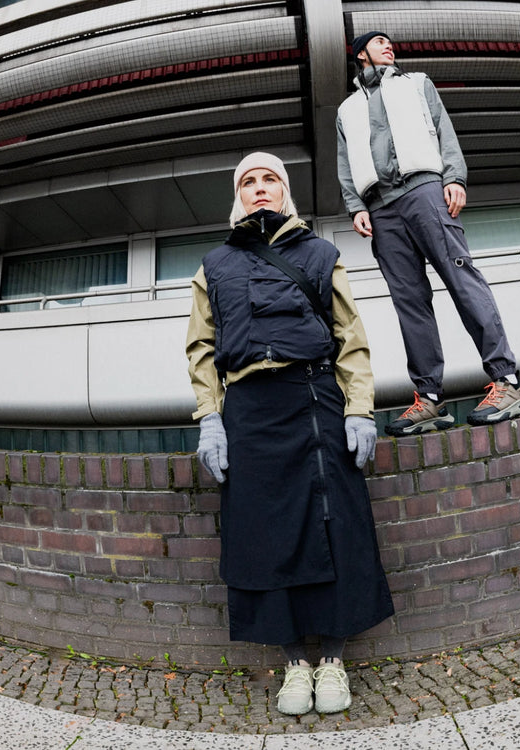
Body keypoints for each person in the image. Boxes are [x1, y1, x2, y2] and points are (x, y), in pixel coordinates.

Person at [185, 152, 394, 716]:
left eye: (269, 179)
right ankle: (295, 663)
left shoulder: (322, 255)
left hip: (315, 400)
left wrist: (359, 409)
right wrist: (210, 419)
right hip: (248, 411)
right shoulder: (212, 267)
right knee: (262, 533)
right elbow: (201, 348)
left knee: (335, 524)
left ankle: (332, 658)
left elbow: (350, 338)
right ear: (238, 195)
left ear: (285, 190)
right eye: (248, 182)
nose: (259, 188)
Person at [336, 31, 520, 435]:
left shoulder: (417, 83)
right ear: (360, 54)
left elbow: (444, 131)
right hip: (381, 209)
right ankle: (430, 399)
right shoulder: (346, 109)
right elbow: (345, 161)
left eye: (390, 42)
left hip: (425, 190)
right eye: (379, 42)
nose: (389, 46)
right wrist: (355, 206)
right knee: (409, 302)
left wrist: (454, 177)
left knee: (462, 280)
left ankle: (508, 381)